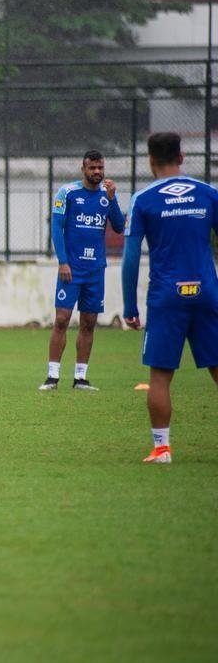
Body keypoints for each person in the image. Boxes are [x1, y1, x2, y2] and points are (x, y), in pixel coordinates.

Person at [121, 132, 218, 464]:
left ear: (150, 160)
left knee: (160, 376)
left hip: (166, 296)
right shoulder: (208, 194)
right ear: (181, 157)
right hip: (206, 292)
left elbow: (131, 256)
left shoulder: (144, 199)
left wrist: (130, 307)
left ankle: (162, 449)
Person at [39, 150, 125, 391]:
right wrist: (63, 262)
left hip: (96, 269)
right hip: (71, 268)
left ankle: (80, 378)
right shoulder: (67, 193)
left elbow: (119, 227)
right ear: (83, 169)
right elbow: (57, 228)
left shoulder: (106, 195)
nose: (97, 172)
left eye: (100, 168)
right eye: (92, 168)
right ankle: (52, 376)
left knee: (89, 322)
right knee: (61, 319)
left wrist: (113, 198)